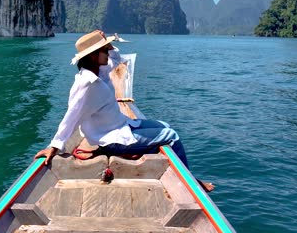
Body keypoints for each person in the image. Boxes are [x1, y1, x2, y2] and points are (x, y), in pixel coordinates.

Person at [34, 30, 214, 192]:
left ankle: (180, 173)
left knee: (164, 126)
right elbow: (71, 116)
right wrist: (54, 147)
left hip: (122, 126)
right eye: (104, 50)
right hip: (112, 139)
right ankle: (190, 182)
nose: (107, 52)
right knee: (172, 136)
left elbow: (116, 60)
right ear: (94, 56)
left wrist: (108, 43)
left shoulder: (98, 72)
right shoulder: (86, 84)